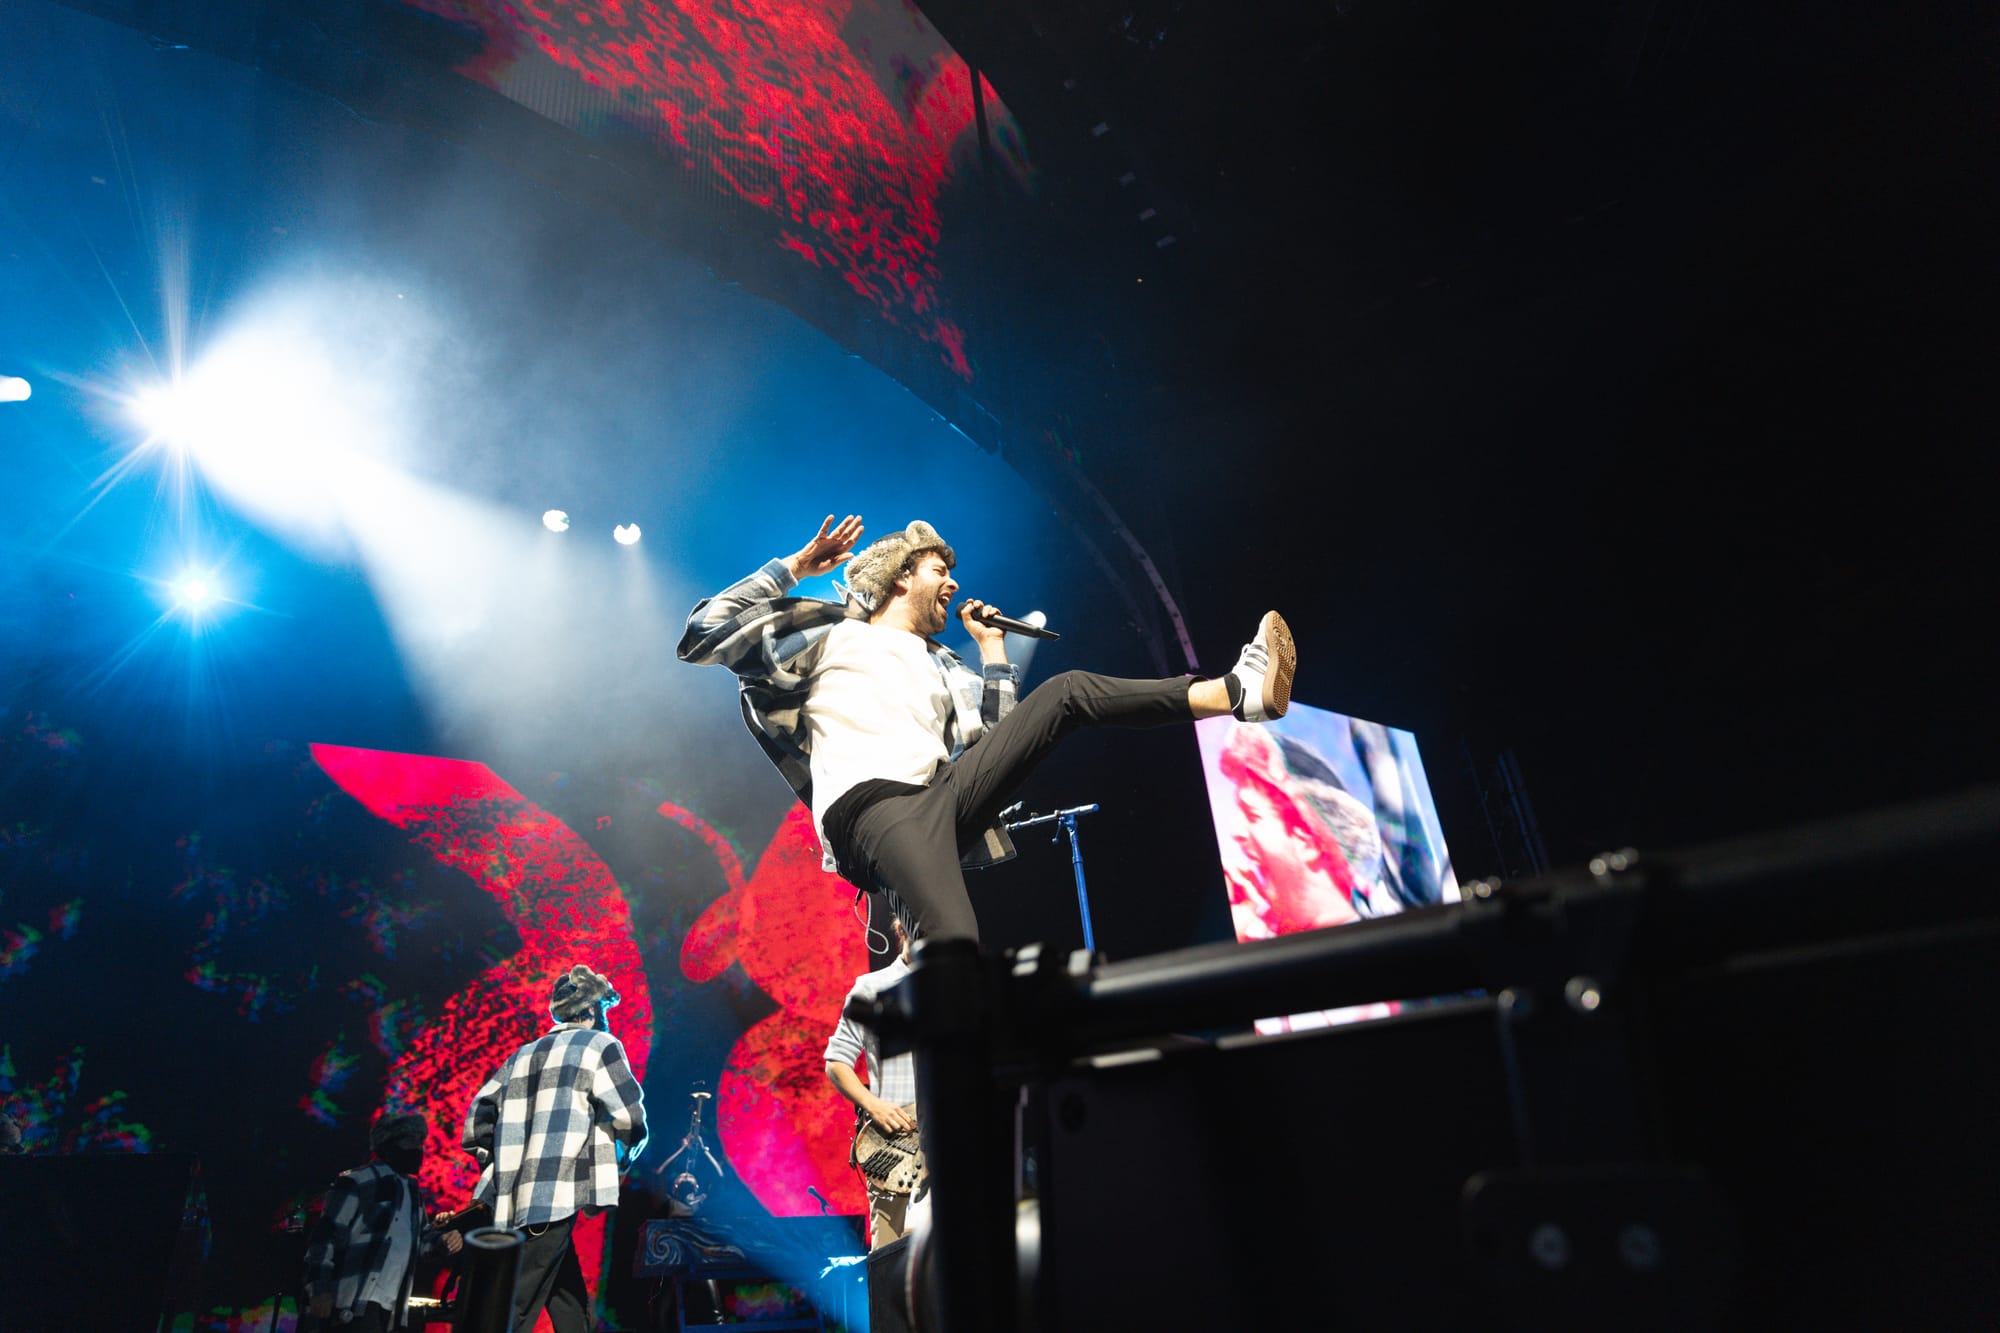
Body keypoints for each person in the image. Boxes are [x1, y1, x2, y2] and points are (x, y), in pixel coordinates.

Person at [678, 514, 1296, 945]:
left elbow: (1003, 745)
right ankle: (942, 1118)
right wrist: (795, 566)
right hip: (871, 807)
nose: (952, 581)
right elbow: (705, 633)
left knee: (1068, 692)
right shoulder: (832, 632)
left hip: (938, 801)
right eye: (937, 569)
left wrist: (993, 651)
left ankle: (1235, 693)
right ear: (899, 576)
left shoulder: (944, 666)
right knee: (955, 945)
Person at [462, 964, 649, 1333]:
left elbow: (476, 1123)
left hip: (515, 1198)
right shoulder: (601, 1045)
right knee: (515, 1309)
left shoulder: (522, 1054)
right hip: (555, 1194)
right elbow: (630, 1116)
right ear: (594, 1011)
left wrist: (501, 1166)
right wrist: (618, 1164)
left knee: (569, 1304)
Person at [302, 1113, 462, 1331]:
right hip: (352, 1304)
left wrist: (443, 1242)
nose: (418, 1149)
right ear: (389, 1144)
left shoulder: (413, 1192)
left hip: (391, 1310)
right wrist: (319, 1289)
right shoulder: (358, 1181)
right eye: (410, 1141)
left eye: (420, 1142)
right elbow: (325, 1237)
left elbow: (418, 1243)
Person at [824, 915, 919, 1249]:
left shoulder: (956, 987)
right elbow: (836, 1062)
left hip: (952, 1137)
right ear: (902, 929)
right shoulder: (872, 987)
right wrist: (874, 1106)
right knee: (889, 1259)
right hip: (895, 1145)